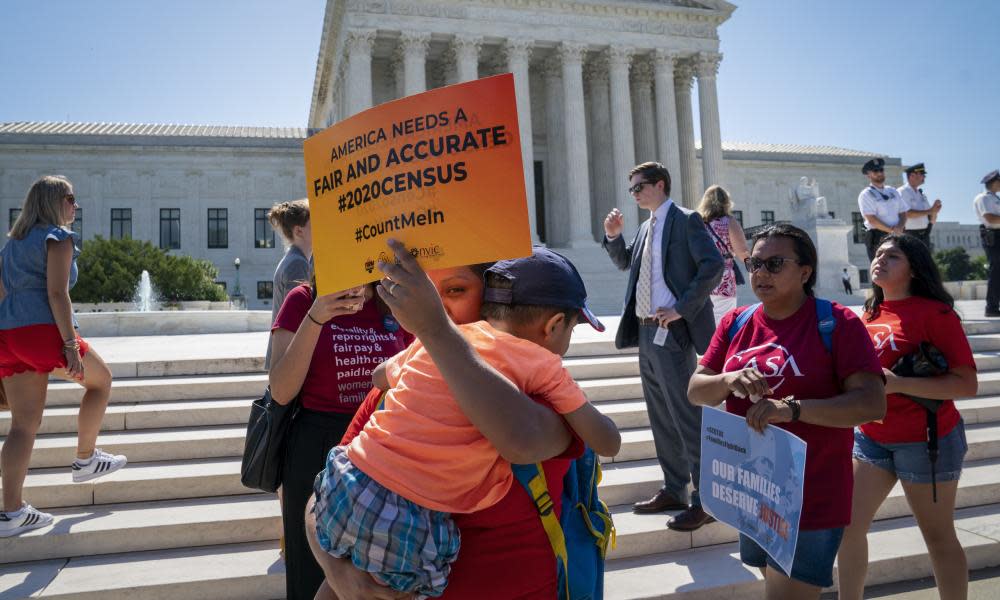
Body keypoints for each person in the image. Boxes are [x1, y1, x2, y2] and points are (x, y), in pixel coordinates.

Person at [309, 247, 620, 598]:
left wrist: (436, 333)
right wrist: (344, 577)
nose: (434, 306)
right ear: (555, 325)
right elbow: (326, 493)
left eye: (455, 290)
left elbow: (519, 439)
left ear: (488, 298)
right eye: (422, 290)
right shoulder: (414, 370)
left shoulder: (543, 399)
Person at [688, 223, 885, 599]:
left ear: (806, 271)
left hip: (812, 493)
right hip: (752, 490)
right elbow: (696, 390)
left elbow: (872, 404)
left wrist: (792, 410)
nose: (761, 273)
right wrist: (729, 379)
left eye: (775, 264)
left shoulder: (837, 323)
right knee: (775, 587)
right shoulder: (736, 322)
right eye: (754, 264)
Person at [837, 234, 977, 600]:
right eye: (878, 253)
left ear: (913, 268)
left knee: (938, 536)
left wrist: (900, 385)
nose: (880, 259)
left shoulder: (936, 314)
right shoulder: (868, 312)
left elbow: (966, 385)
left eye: (893, 256)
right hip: (871, 438)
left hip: (927, 440)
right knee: (847, 528)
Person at [268, 278, 413, 599]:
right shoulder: (303, 299)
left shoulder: (393, 299)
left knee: (374, 580)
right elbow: (280, 390)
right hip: (316, 448)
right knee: (312, 573)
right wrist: (317, 315)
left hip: (381, 450)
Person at [0, 176, 124, 538]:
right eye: (71, 198)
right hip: (43, 332)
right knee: (102, 382)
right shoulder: (58, 237)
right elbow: (57, 293)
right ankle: (86, 458)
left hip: (8, 335)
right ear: (54, 201)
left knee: (23, 426)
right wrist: (70, 345)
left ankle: (10, 513)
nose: (76, 205)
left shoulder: (12, 245)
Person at [602, 161, 723, 531]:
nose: (635, 194)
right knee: (661, 417)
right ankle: (675, 488)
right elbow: (627, 264)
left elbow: (713, 266)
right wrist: (613, 237)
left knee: (687, 416)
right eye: (632, 189)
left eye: (639, 187)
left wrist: (682, 308)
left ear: (660, 185)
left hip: (671, 331)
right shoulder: (644, 227)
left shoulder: (686, 220)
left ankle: (706, 501)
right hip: (644, 332)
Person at [265, 198, 311, 370]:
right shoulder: (297, 264)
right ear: (299, 231)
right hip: (289, 360)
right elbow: (298, 318)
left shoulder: (295, 259)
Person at [697, 185, 750, 325]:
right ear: (726, 202)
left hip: (700, 280)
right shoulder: (729, 222)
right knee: (723, 324)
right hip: (723, 280)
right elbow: (743, 252)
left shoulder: (697, 223)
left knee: (705, 327)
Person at [858, 157, 909, 261]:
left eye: (881, 170)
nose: (879, 173)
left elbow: (903, 212)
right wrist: (891, 230)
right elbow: (871, 219)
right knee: (882, 271)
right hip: (878, 237)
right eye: (875, 171)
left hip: (897, 235)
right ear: (868, 175)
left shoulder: (893, 191)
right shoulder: (866, 194)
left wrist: (900, 227)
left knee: (899, 268)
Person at [974, 169, 1000, 317]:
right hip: (993, 236)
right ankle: (991, 306)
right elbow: (990, 219)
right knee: (996, 270)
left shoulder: (995, 198)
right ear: (995, 182)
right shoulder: (984, 198)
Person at [898, 163, 941, 250]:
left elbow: (931, 218)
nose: (924, 177)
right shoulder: (902, 192)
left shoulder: (921, 194)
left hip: (924, 234)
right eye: (922, 174)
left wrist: (935, 210)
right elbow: (907, 214)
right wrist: (931, 211)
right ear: (912, 176)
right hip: (909, 234)